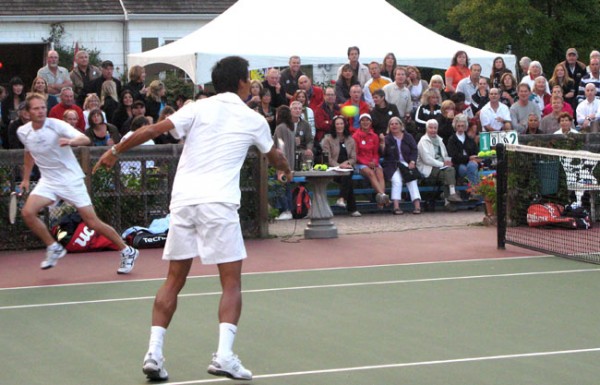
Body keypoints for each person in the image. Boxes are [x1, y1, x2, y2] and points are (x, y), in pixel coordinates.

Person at [93, 56, 292, 381]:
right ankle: (224, 355)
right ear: (243, 82)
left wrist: (115, 151)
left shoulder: (197, 107)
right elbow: (277, 156)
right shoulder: (253, 118)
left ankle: (154, 353)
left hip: (184, 203)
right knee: (231, 283)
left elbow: (152, 129)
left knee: (174, 280)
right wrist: (285, 170)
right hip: (219, 205)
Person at [17, 92, 139, 272]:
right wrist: (26, 179)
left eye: (43, 107)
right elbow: (28, 153)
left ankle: (127, 250)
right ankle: (54, 247)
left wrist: (72, 141)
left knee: (92, 222)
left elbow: (86, 139)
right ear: (27, 112)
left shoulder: (56, 125)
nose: (41, 111)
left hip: (71, 180)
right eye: (36, 108)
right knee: (28, 212)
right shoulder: (23, 131)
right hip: (48, 181)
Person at [416, 119, 463, 211]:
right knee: (449, 172)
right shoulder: (423, 141)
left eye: (435, 128)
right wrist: (443, 164)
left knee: (448, 172)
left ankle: (448, 200)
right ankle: (451, 195)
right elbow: (427, 160)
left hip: (442, 168)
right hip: (428, 168)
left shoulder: (440, 140)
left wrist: (447, 162)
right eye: (431, 128)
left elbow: (445, 154)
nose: (433, 130)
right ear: (426, 129)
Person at [320, 116, 361, 217]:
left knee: (347, 173)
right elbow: (327, 158)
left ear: (345, 125)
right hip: (333, 168)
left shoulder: (350, 139)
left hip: (347, 167)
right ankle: (352, 207)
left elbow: (353, 158)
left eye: (341, 124)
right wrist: (338, 166)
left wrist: (346, 164)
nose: (339, 126)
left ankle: (342, 199)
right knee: (348, 177)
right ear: (334, 125)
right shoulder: (328, 139)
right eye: (337, 124)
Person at [382, 116, 421, 215]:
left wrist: (412, 161)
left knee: (411, 179)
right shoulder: (387, 138)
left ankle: (417, 205)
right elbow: (383, 154)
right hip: (391, 164)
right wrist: (382, 145)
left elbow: (414, 150)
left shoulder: (408, 137)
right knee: (397, 181)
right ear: (389, 126)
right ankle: (396, 206)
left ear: (401, 125)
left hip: (406, 163)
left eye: (396, 124)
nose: (394, 126)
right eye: (391, 124)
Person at [352, 113, 389, 207]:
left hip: (372, 162)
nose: (365, 122)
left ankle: (381, 200)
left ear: (371, 122)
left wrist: (374, 162)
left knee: (380, 172)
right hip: (361, 163)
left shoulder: (374, 136)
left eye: (367, 120)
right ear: (360, 123)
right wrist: (367, 163)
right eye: (363, 120)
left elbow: (376, 153)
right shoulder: (355, 136)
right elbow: (355, 154)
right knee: (371, 173)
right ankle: (383, 196)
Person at [272, 105, 297, 221]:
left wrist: (281, 165)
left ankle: (285, 209)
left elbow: (281, 146)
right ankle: (288, 210)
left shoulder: (280, 128)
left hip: (282, 163)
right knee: (286, 187)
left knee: (280, 187)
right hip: (290, 162)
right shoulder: (290, 128)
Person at [446, 114, 479, 186]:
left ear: (465, 127)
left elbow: (475, 152)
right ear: (455, 126)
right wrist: (469, 158)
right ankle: (475, 190)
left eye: (462, 126)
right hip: (458, 164)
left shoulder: (470, 139)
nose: (460, 128)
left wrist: (475, 158)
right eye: (458, 126)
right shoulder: (452, 140)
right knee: (466, 169)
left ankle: (473, 190)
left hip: (470, 163)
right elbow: (454, 156)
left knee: (472, 166)